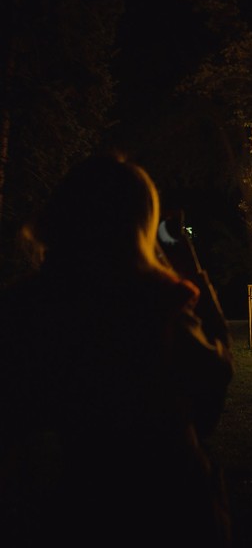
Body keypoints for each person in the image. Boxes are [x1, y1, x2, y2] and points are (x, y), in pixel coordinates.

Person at [0, 154, 234, 546]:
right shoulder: (155, 303)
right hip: (170, 510)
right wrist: (190, 271)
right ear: (138, 227)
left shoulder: (27, 306)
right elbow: (213, 384)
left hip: (80, 510)